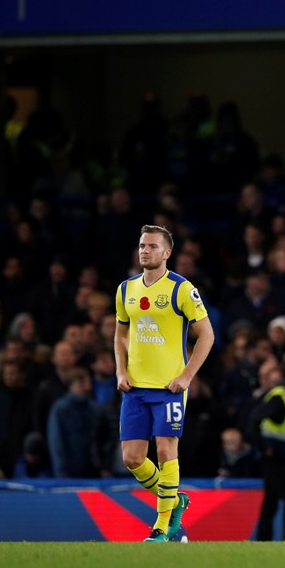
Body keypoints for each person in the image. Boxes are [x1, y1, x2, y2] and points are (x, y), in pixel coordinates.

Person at [115, 224, 214, 542]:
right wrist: (121, 371)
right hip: (135, 388)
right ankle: (175, 500)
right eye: (142, 245)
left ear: (167, 253)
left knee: (166, 451)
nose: (145, 250)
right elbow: (120, 334)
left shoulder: (181, 289)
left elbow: (207, 335)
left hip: (169, 388)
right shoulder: (125, 290)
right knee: (132, 458)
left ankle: (162, 527)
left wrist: (186, 376)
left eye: (153, 246)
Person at [249, 358, 285, 541]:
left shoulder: (284, 395)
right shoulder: (281, 396)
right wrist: (265, 449)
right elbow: (255, 420)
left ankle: (264, 540)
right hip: (275, 458)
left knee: (271, 500)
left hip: (278, 457)